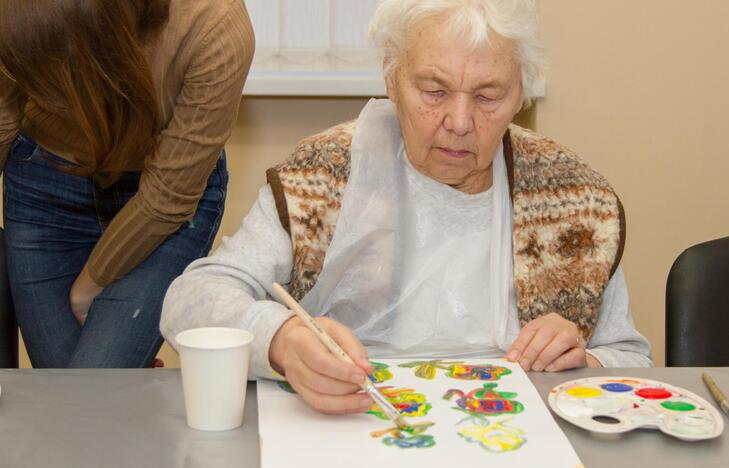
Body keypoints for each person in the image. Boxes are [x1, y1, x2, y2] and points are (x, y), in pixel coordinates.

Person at [162, 0, 651, 414]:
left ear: (520, 93)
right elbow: (190, 300)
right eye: (434, 91)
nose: (459, 121)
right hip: (350, 427)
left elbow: (632, 358)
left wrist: (586, 363)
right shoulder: (323, 176)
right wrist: (282, 340)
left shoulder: (572, 198)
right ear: (391, 76)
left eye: (488, 96)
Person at [0, 0, 254, 368]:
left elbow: (166, 198)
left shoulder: (214, 24)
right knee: (69, 401)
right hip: (44, 190)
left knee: (94, 388)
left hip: (163, 204)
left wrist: (91, 284)